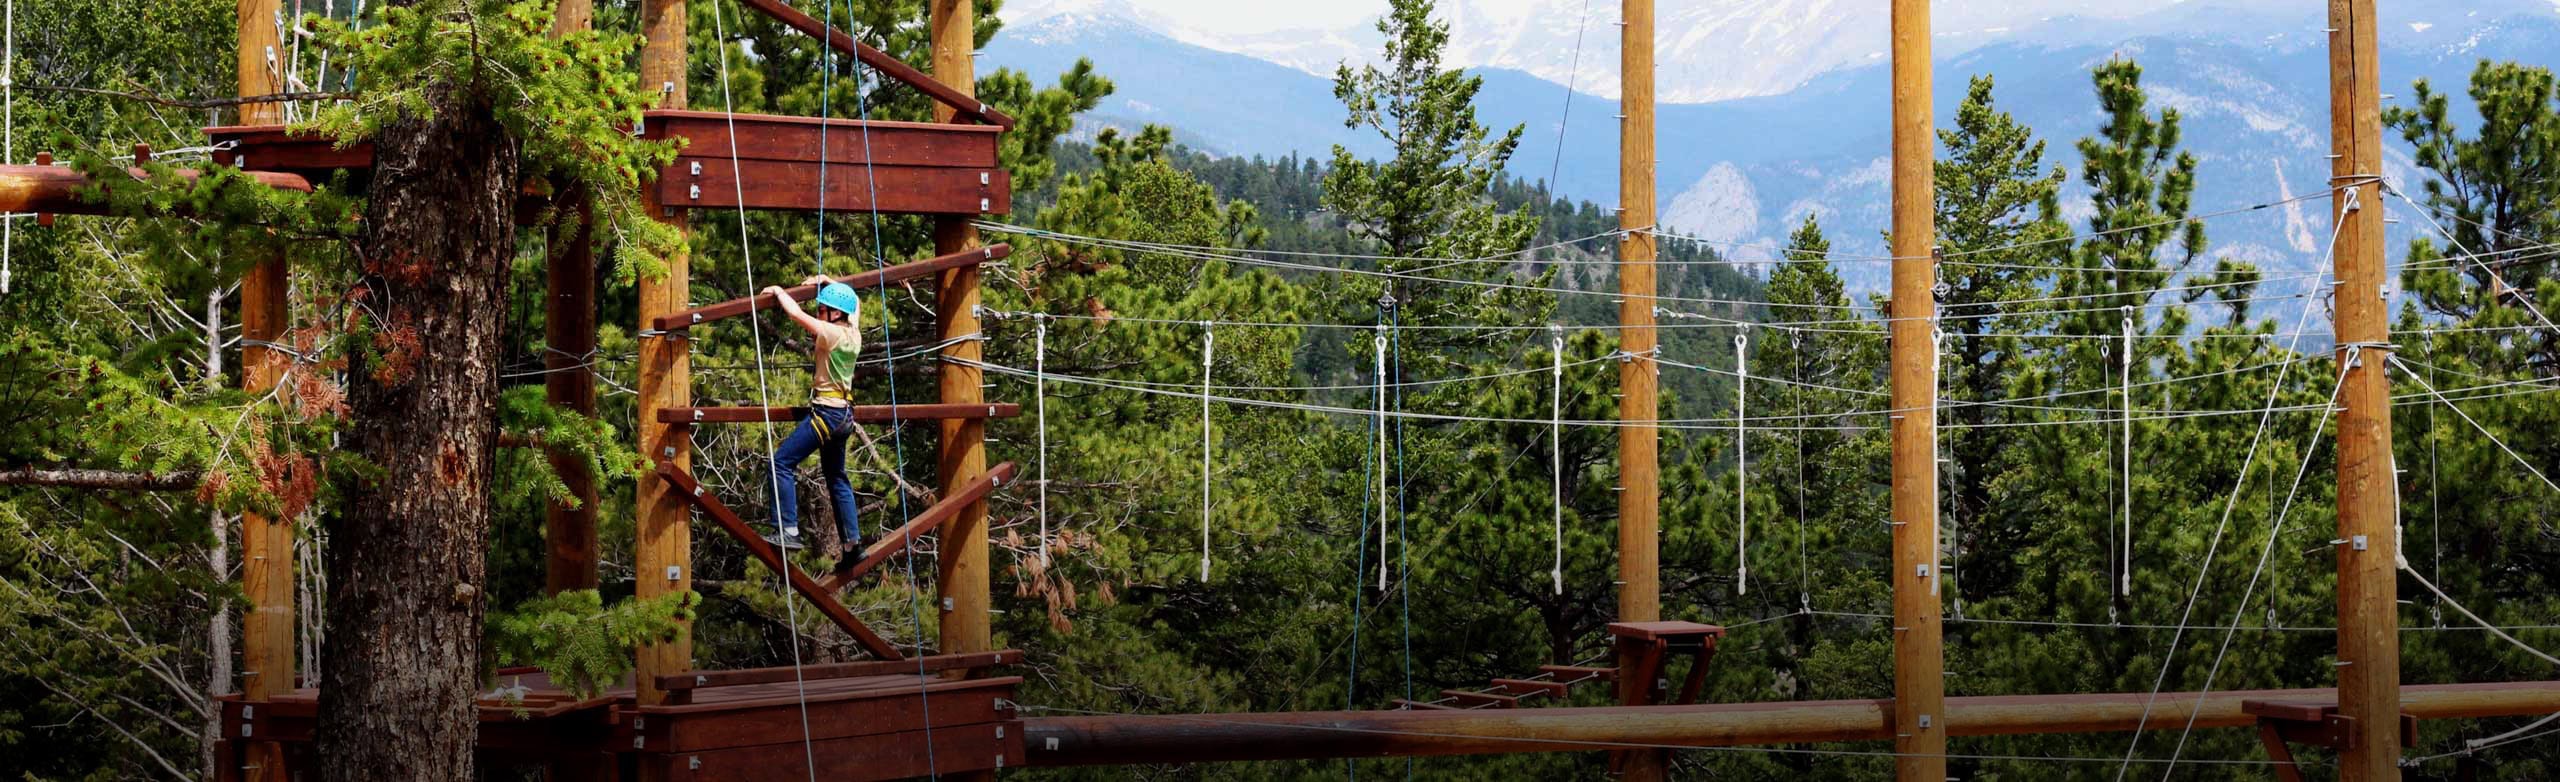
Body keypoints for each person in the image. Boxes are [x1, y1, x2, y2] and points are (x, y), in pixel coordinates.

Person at [759, 275, 865, 567]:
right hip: (844, 415)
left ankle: (788, 529)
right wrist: (826, 281)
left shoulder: (831, 334)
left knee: (781, 462)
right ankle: (852, 545)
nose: (819, 312)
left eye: (823, 308)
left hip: (827, 413)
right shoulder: (853, 332)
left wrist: (779, 290)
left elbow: (795, 314)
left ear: (835, 314)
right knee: (837, 478)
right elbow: (855, 302)